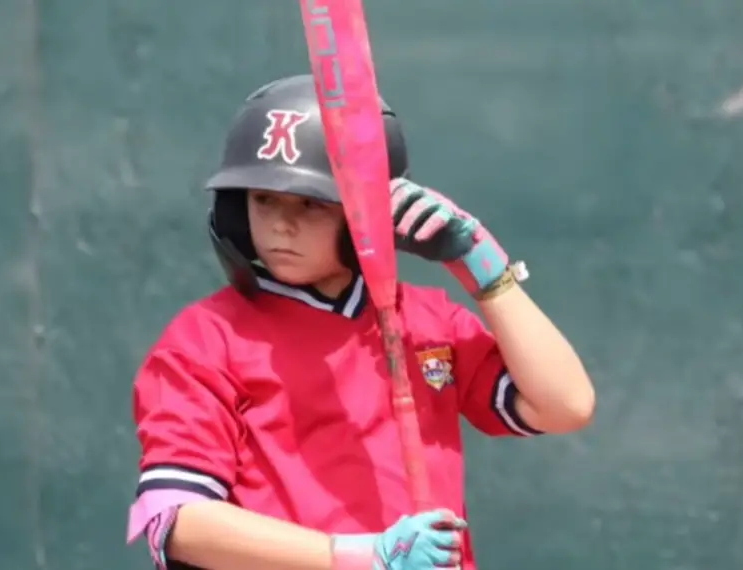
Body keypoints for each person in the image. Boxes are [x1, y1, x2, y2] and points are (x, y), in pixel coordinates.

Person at [125, 74, 595, 570]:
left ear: (369, 212)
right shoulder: (206, 337)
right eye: (264, 199)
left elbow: (566, 406)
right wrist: (364, 557)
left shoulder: (427, 321)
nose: (281, 224)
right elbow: (176, 522)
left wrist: (484, 269)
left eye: (311, 203)